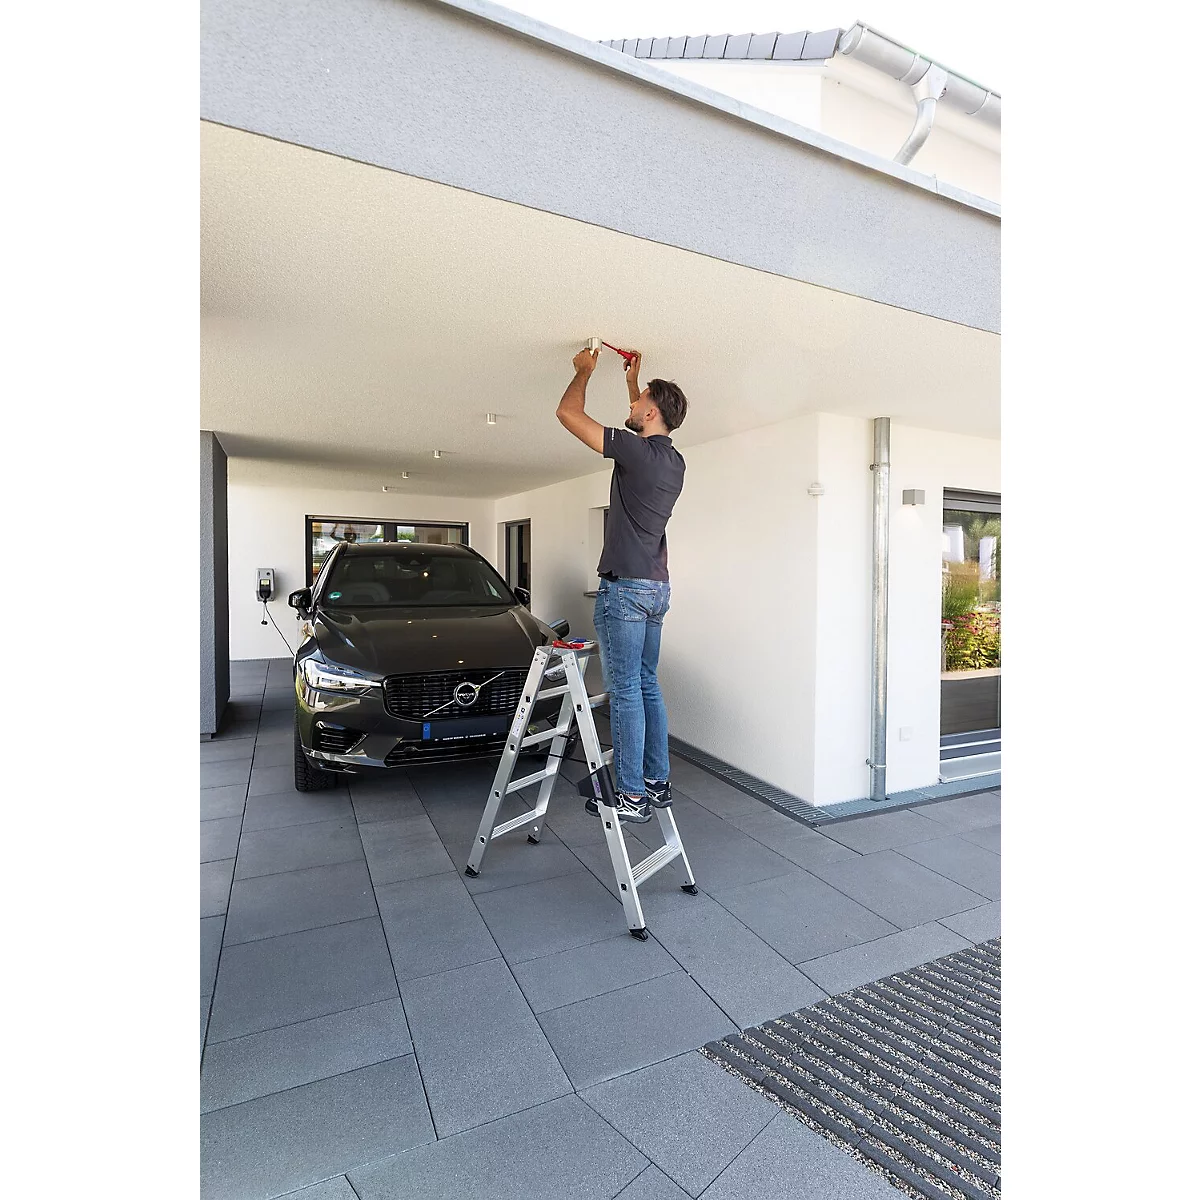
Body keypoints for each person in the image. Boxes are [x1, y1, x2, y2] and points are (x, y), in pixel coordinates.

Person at [556, 344, 688, 823]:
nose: (632, 405)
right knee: (647, 684)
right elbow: (640, 422)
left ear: (651, 413)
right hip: (656, 588)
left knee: (626, 691)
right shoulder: (674, 461)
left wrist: (584, 371)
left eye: (638, 401)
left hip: (627, 590)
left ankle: (631, 795)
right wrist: (633, 382)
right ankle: (655, 782)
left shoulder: (636, 452)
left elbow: (568, 414)